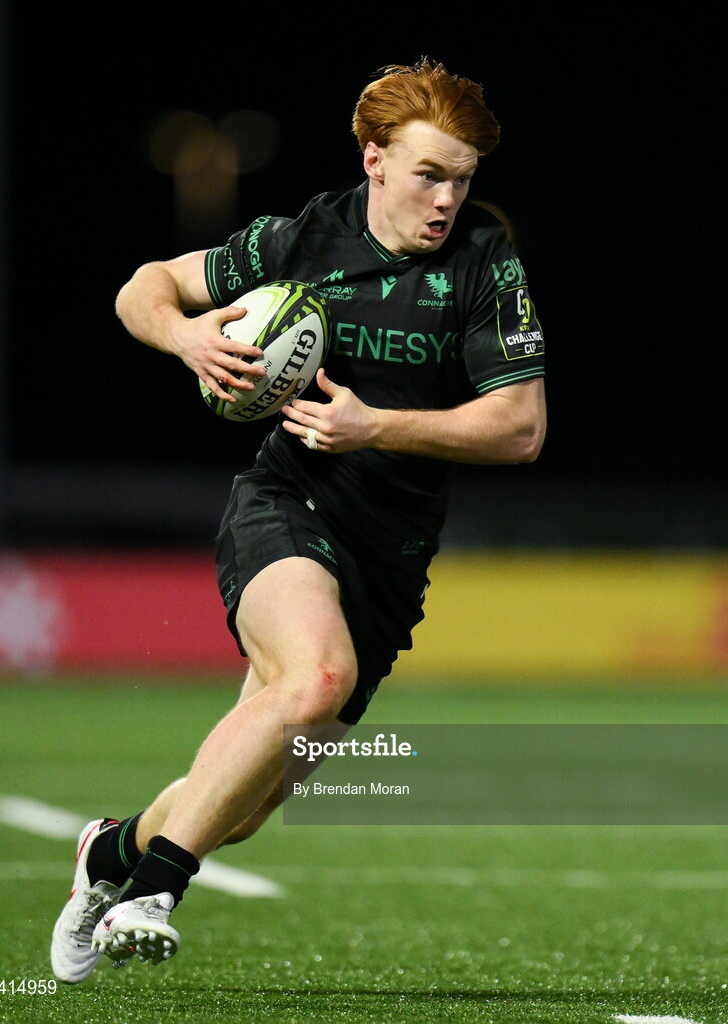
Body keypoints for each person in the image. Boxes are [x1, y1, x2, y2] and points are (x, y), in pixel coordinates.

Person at [50, 57, 546, 984]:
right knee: (316, 677)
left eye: (464, 177)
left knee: (240, 806)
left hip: (390, 557)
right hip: (287, 504)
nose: (448, 197)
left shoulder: (483, 259)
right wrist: (188, 333)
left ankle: (109, 853)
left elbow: (519, 429)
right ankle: (153, 891)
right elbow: (143, 286)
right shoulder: (300, 238)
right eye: (430, 173)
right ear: (374, 159)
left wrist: (376, 425)